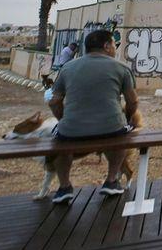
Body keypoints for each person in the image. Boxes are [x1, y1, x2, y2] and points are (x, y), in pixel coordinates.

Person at [47, 29, 138, 203]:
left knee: (58, 141)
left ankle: (64, 186)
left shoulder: (67, 68)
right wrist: (126, 118)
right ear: (106, 46)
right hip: (112, 128)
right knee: (123, 136)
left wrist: (63, 120)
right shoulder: (121, 68)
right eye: (114, 44)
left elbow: (53, 100)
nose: (115, 48)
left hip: (71, 131)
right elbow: (133, 102)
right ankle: (111, 180)